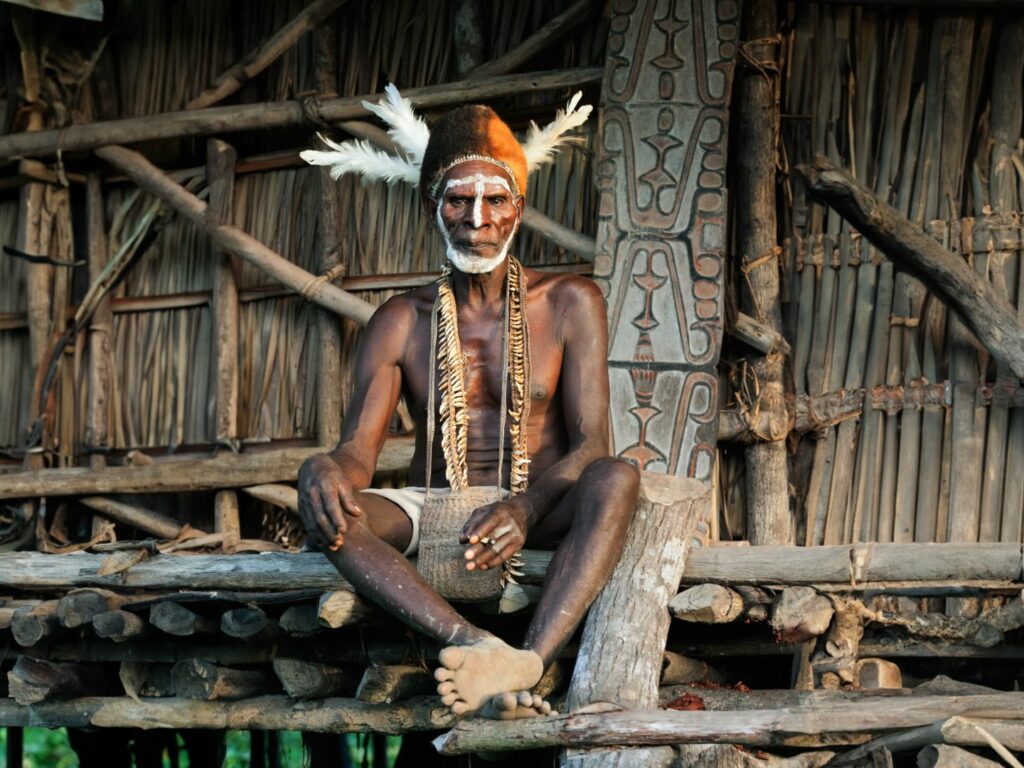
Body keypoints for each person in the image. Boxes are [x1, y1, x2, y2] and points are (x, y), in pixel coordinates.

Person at [297, 89, 640, 720]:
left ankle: (528, 657)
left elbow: (593, 446)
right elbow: (357, 455)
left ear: (518, 208)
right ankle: (475, 643)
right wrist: (321, 470)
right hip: (435, 510)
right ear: (435, 207)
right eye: (458, 199)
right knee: (332, 515)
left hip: (543, 504)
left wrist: (526, 506)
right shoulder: (401, 319)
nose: (476, 217)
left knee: (617, 477)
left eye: (494, 199)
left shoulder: (569, 301)